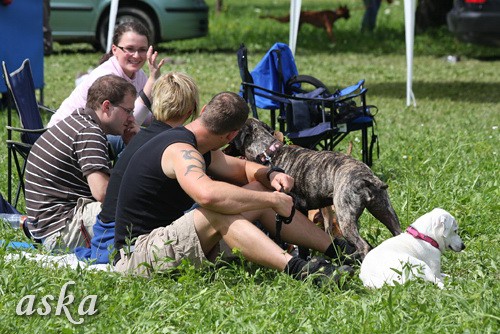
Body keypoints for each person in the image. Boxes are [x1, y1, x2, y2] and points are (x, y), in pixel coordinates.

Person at [114, 92, 354, 285]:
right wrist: (272, 201)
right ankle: (300, 270)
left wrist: (270, 174)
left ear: (205, 110)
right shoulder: (180, 150)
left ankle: (340, 250)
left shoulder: (198, 144)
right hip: (138, 256)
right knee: (218, 211)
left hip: (163, 244)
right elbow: (207, 194)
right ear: (231, 136)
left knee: (257, 191)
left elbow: (241, 168)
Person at [74, 71, 200, 263]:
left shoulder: (143, 137)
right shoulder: (176, 146)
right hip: (120, 242)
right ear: (191, 111)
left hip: (104, 234)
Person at [25, 75, 137, 251]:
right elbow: (103, 193)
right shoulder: (89, 133)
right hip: (60, 231)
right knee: (139, 211)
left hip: (47, 226)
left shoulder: (78, 121)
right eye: (128, 111)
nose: (131, 119)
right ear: (107, 106)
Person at [47, 21, 166, 155]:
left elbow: (143, 116)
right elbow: (131, 121)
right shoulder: (108, 77)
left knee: (148, 138)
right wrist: (153, 80)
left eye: (142, 50)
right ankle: (121, 177)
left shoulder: (138, 74)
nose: (137, 55)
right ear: (115, 49)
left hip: (90, 134)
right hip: (63, 140)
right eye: (130, 49)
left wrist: (167, 123)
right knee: (135, 139)